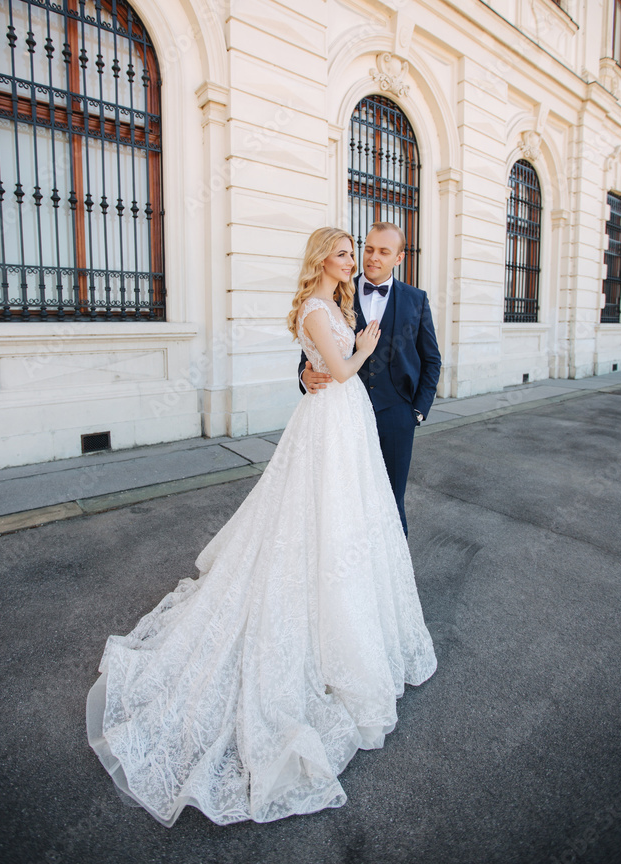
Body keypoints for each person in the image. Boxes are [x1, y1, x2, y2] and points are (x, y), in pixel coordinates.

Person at [86, 227, 437, 827]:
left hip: (382, 420)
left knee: (377, 517)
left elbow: (427, 356)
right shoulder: (322, 306)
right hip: (337, 418)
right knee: (324, 518)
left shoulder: (393, 301)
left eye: (369, 251)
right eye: (350, 251)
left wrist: (415, 405)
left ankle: (373, 611)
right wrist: (340, 358)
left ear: (396, 257)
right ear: (326, 259)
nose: (360, 259)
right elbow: (326, 363)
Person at [299, 221, 441, 537]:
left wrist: (416, 412)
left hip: (396, 417)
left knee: (391, 500)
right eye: (369, 249)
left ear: (399, 258)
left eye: (383, 252)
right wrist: (304, 374)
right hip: (344, 418)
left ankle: (394, 580)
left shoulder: (415, 299)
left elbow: (431, 359)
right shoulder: (337, 290)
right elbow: (312, 350)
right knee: (345, 501)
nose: (372, 258)